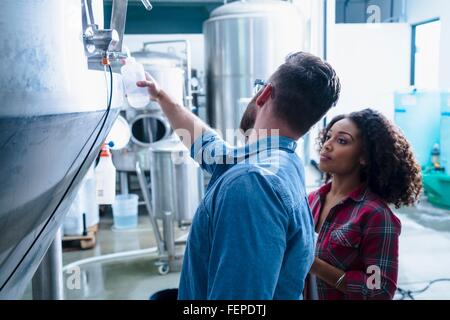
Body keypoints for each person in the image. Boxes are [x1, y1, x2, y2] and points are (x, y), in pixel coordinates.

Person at [137, 52, 341, 300]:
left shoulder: (253, 184)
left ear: (264, 94)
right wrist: (161, 96)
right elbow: (207, 144)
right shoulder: (279, 162)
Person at [306, 108, 422, 300]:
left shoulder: (376, 215)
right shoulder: (311, 200)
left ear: (364, 157)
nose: (327, 145)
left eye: (341, 140)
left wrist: (314, 265)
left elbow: (380, 290)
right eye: (328, 136)